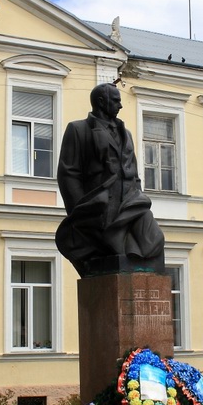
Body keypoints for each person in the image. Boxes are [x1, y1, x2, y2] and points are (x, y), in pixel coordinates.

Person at [55, 83, 165, 277]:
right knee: (114, 248)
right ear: (100, 101)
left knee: (154, 240)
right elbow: (68, 174)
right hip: (101, 203)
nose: (120, 106)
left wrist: (138, 192)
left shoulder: (126, 133)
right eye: (116, 101)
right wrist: (81, 212)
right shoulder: (79, 129)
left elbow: (133, 170)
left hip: (131, 201)